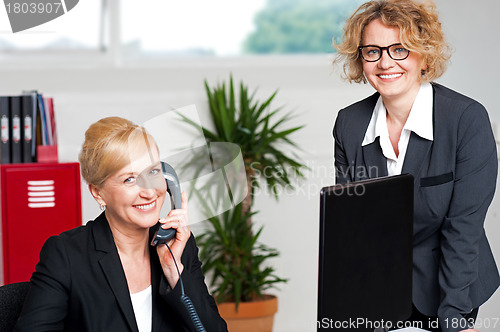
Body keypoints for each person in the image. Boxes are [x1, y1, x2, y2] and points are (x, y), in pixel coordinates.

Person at [332, 1, 499, 331]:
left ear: (423, 54)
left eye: (400, 49)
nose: (385, 62)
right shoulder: (348, 125)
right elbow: (352, 233)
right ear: (360, 57)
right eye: (373, 51)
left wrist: (453, 319)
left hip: (450, 286)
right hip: (381, 289)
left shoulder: (466, 120)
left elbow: (462, 232)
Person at [15, 117, 228, 331]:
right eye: (130, 179)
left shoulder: (179, 246)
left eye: (153, 172)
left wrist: (175, 273)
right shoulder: (66, 255)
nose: (149, 192)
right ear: (98, 194)